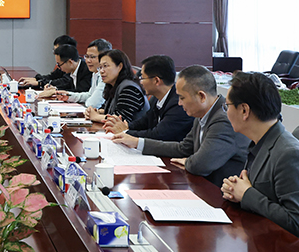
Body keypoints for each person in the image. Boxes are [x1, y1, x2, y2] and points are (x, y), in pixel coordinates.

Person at [221, 72, 299, 252]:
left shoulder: (290, 154)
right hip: (269, 242)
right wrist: (237, 191)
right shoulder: (261, 142)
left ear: (244, 111)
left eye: (227, 106)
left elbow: (297, 223)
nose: (225, 112)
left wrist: (247, 194)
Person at [112, 65, 249, 187]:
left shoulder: (223, 120)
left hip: (220, 194)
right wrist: (138, 143)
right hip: (203, 186)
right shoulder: (202, 113)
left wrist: (189, 161)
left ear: (201, 96)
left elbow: (200, 165)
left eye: (182, 98)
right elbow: (183, 148)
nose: (179, 103)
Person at [104, 55, 193, 142]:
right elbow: (145, 121)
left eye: (142, 78)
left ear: (156, 81)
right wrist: (127, 126)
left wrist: (125, 132)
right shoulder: (156, 98)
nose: (141, 82)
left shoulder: (178, 103)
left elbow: (158, 135)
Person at [85, 49, 149, 124]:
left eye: (105, 66)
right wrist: (98, 112)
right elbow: (110, 110)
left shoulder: (129, 89)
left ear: (120, 66)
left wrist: (96, 116)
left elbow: (121, 120)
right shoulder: (113, 86)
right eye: (100, 67)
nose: (101, 71)